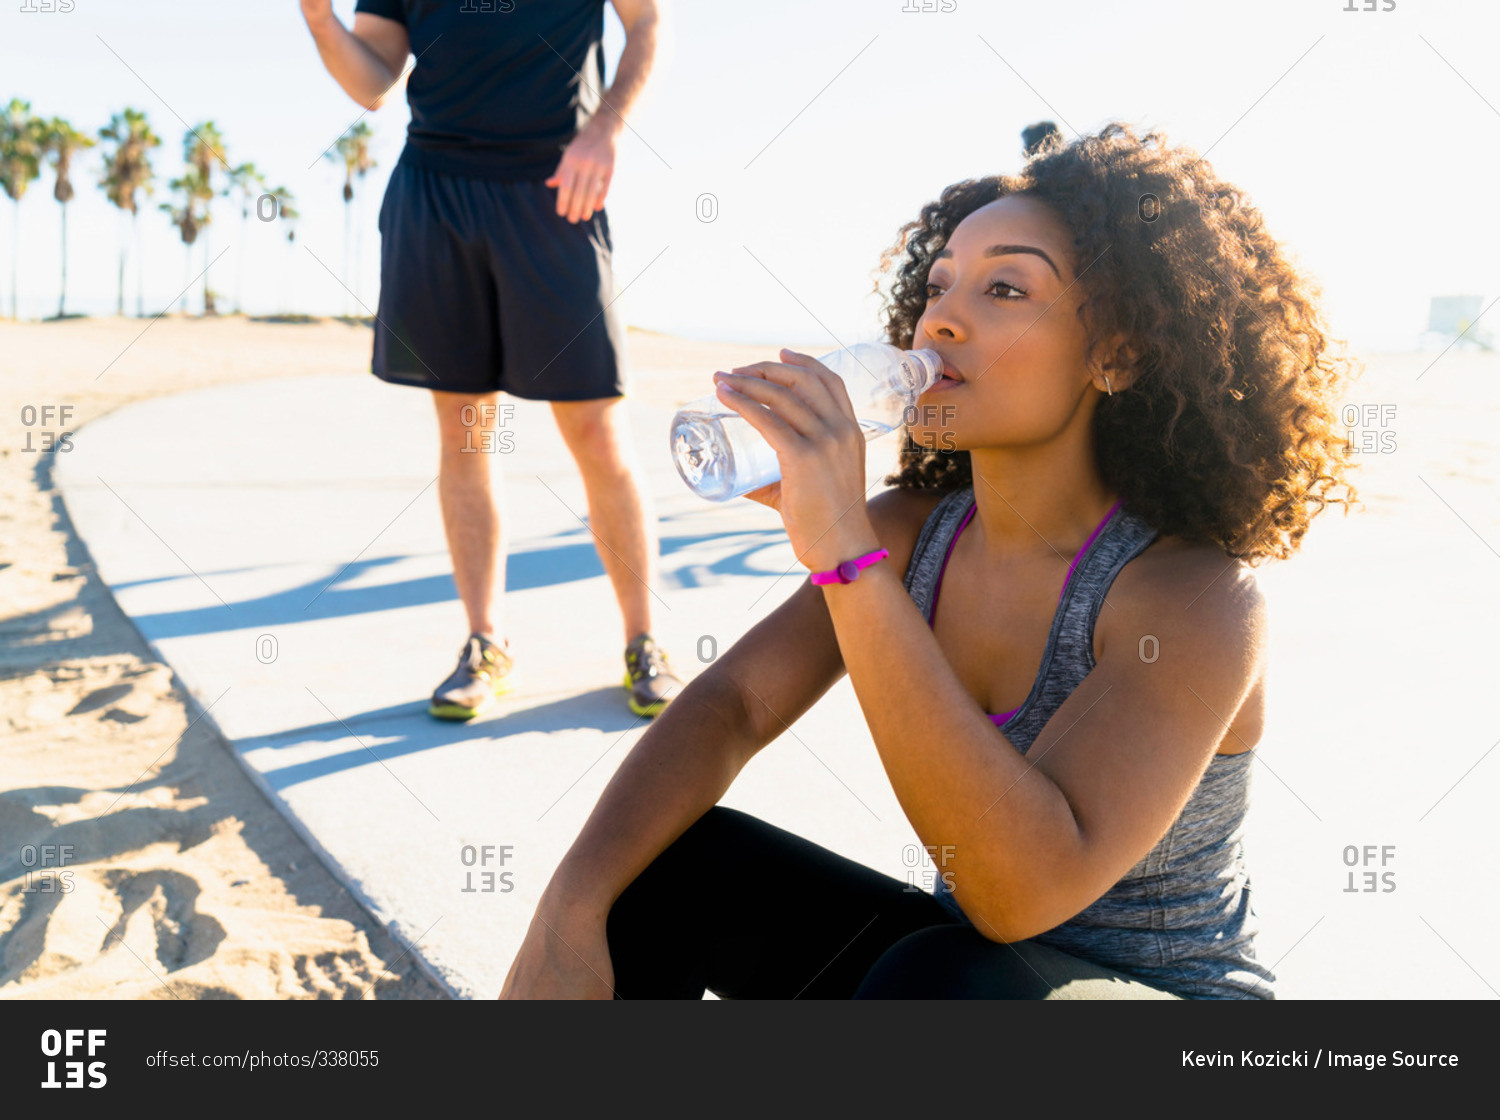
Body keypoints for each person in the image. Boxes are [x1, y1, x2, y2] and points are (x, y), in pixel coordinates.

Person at [499, 123, 1360, 999]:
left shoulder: (1194, 599)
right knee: (660, 866)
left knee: (943, 976)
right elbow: (734, 703)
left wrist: (846, 557)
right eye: (940, 282)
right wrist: (574, 901)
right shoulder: (917, 536)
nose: (943, 317)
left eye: (1005, 289)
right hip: (963, 981)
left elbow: (1017, 895)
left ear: (1118, 353)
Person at [301, 0, 684, 721]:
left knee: (598, 432)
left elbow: (648, 24)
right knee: (466, 430)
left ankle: (645, 641)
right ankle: (485, 642)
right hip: (436, 193)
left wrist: (606, 128)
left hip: (557, 189)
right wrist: (321, 20)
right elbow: (375, 78)